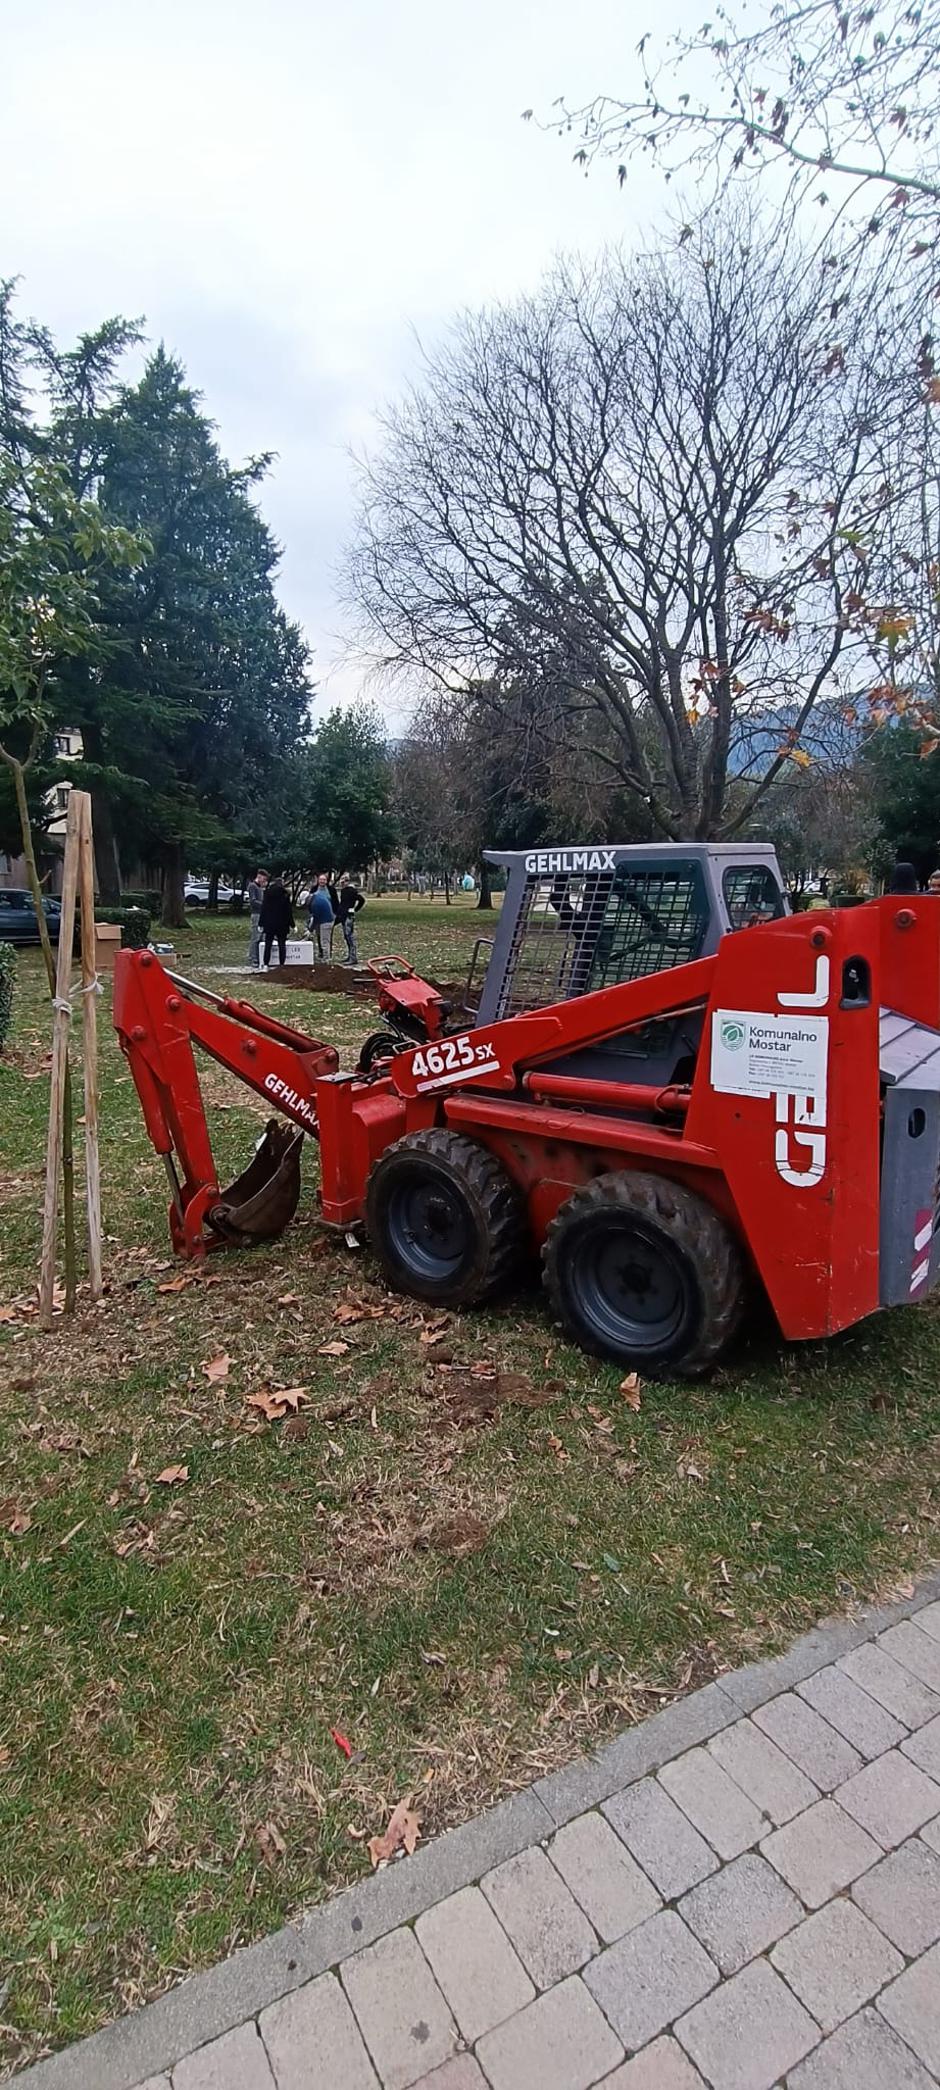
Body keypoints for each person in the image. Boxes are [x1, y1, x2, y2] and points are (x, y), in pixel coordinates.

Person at [259, 875, 293, 969]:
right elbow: (288, 911)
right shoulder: (285, 894)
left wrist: (261, 923)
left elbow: (264, 909)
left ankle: (266, 964)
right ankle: (282, 965)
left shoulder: (268, 893)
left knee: (268, 944)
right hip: (282, 924)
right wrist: (292, 924)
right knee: (282, 944)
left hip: (269, 923)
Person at [335, 872, 366, 964]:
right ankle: (350, 956)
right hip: (343, 916)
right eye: (341, 881)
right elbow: (342, 904)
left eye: (344, 881)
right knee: (346, 936)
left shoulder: (351, 890)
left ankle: (353, 957)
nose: (342, 883)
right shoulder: (343, 891)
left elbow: (361, 900)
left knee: (349, 936)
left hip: (348, 916)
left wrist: (355, 909)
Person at [307, 871, 335, 962]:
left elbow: (315, 917)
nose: (322, 881)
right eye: (320, 879)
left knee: (325, 940)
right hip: (323, 918)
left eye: (324, 879)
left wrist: (310, 929)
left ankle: (326, 958)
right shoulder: (315, 894)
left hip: (326, 919)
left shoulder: (315, 902)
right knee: (320, 937)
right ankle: (322, 955)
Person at [246, 868, 268, 968]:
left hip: (262, 914)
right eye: (263, 879)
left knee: (261, 936)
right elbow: (253, 901)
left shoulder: (260, 887)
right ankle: (253, 958)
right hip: (256, 914)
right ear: (259, 877)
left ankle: (259, 957)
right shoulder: (252, 886)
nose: (264, 882)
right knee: (256, 936)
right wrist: (264, 905)